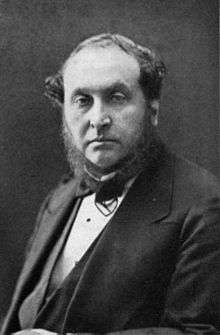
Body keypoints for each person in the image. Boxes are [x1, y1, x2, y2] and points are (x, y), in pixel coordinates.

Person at [1, 33, 220, 335]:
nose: (98, 119)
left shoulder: (205, 203)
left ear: (152, 109)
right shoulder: (60, 198)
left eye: (116, 97)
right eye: (82, 100)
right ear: (64, 111)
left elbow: (199, 333)